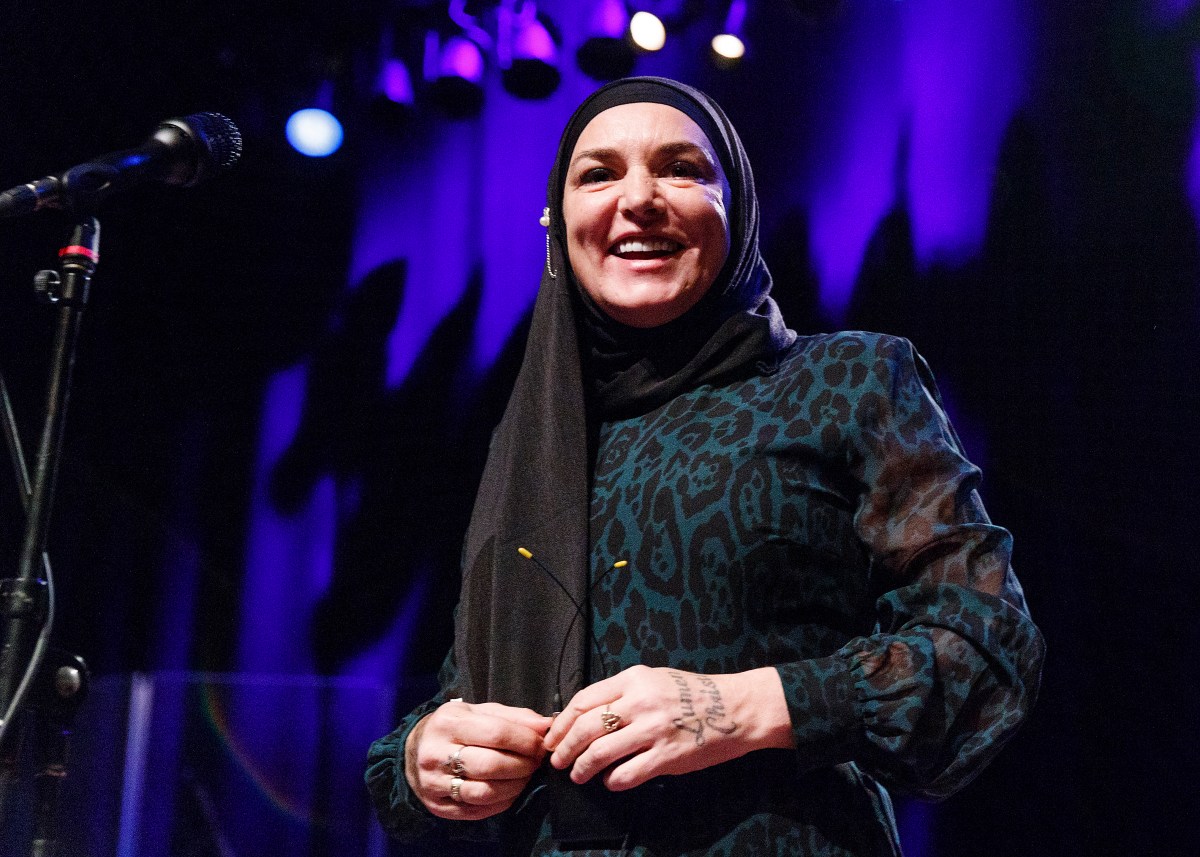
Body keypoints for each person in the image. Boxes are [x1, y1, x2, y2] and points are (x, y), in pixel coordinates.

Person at [366, 76, 1044, 856]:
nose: (640, 198)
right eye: (599, 173)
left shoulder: (848, 381)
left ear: (741, 208)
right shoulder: (532, 438)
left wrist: (741, 707)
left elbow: (984, 643)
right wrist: (426, 757)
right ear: (558, 223)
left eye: (682, 168)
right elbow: (469, 692)